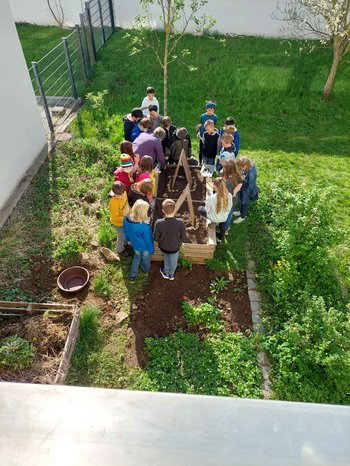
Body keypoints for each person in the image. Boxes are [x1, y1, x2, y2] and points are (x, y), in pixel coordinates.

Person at [154, 199, 187, 280]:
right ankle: (171, 275)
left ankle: (166, 272)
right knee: (174, 261)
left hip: (163, 246)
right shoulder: (180, 222)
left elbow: (155, 238)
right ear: (175, 209)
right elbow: (183, 237)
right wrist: (179, 242)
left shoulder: (159, 222)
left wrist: (161, 240)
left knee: (166, 256)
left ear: (163, 211)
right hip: (175, 247)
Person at [123, 199, 155, 281]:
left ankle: (132, 276)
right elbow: (148, 241)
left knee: (137, 256)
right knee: (146, 259)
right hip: (144, 247)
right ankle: (146, 269)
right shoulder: (145, 228)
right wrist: (151, 250)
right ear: (144, 213)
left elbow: (125, 231)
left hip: (135, 245)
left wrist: (128, 240)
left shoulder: (126, 220)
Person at [198, 177, 232, 243]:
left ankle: (214, 222)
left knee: (200, 208)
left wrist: (207, 202)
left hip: (214, 218)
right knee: (222, 226)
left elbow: (207, 210)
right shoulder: (229, 195)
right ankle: (220, 239)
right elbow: (229, 208)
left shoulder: (212, 198)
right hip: (224, 217)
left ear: (215, 186)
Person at [233, 157, 260, 224]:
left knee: (245, 202)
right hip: (244, 186)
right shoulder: (249, 165)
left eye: (241, 167)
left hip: (248, 190)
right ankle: (240, 212)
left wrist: (245, 193)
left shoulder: (251, 174)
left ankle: (242, 217)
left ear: (245, 165)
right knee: (242, 201)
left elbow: (250, 186)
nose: (240, 169)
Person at [109, 181, 130, 258]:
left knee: (125, 233)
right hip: (118, 223)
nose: (121, 196)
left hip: (126, 217)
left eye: (122, 194)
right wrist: (126, 219)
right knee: (121, 236)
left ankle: (124, 244)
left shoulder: (123, 192)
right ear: (114, 194)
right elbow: (115, 217)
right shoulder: (114, 203)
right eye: (119, 195)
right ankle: (120, 250)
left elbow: (126, 203)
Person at [222, 161, 242, 232]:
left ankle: (225, 228)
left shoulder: (227, 181)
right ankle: (226, 227)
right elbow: (240, 184)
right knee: (229, 213)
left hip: (227, 200)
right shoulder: (237, 175)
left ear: (228, 170)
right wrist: (235, 191)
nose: (223, 168)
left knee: (227, 215)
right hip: (234, 199)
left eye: (224, 167)